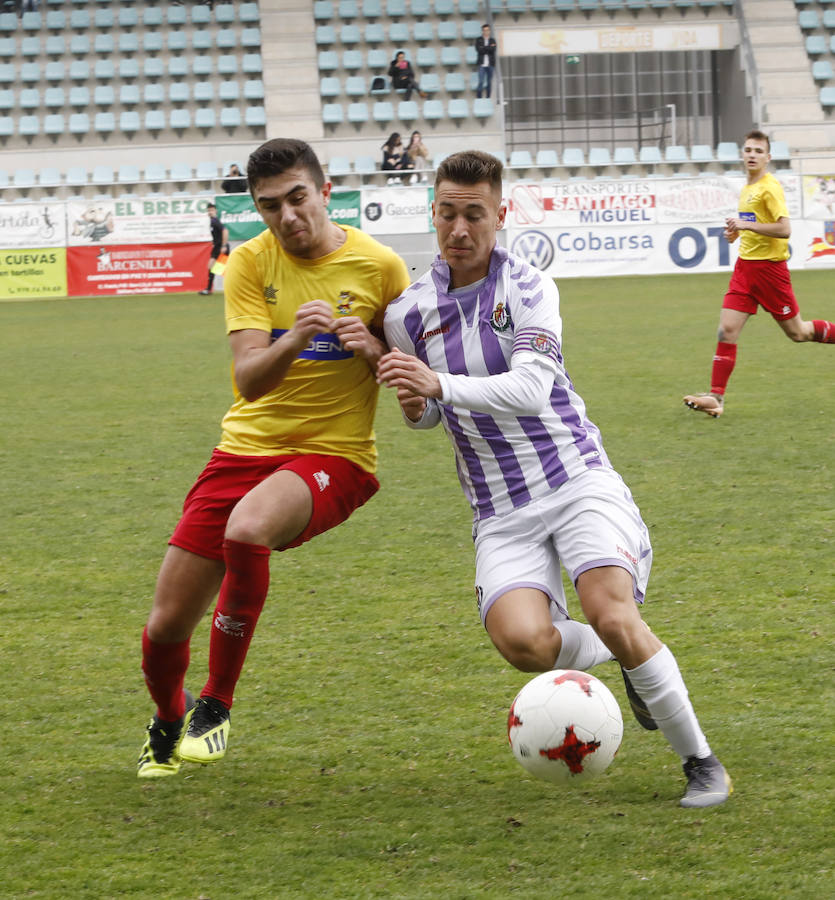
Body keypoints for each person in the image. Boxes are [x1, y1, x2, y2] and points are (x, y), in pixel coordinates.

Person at [376, 150, 732, 809]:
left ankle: (701, 764)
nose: (459, 229)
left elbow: (532, 389)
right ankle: (622, 652)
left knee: (607, 605)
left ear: (499, 215)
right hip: (497, 506)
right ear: (433, 213)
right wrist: (416, 404)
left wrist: (439, 385)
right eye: (448, 213)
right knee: (521, 643)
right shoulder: (408, 313)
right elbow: (427, 416)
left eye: (474, 215)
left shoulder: (529, 287)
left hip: (572, 478)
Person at [136, 138, 410, 777]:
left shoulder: (381, 267)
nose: (287, 216)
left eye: (297, 198)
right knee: (164, 627)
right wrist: (297, 338)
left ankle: (217, 703)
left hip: (335, 455)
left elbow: (408, 370)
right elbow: (249, 380)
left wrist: (370, 347)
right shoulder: (249, 265)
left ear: (324, 191)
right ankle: (169, 720)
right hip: (242, 451)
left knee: (248, 527)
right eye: (269, 206)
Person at [684, 130, 835, 417]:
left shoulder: (770, 187)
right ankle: (716, 399)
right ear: (743, 154)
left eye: (758, 151)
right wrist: (735, 234)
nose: (752, 154)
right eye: (748, 150)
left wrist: (746, 226)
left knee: (799, 332)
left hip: (769, 272)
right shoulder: (747, 188)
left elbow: (784, 228)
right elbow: (750, 226)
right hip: (745, 270)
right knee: (726, 330)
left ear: (768, 157)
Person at [199, 202, 229, 296]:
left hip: (221, 248)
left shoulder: (215, 221)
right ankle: (208, 289)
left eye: (211, 210)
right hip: (217, 247)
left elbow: (225, 231)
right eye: (208, 210)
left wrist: (223, 245)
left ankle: (239, 287)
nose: (210, 212)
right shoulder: (212, 221)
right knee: (213, 267)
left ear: (215, 211)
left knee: (224, 270)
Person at [474, 24, 497, 100]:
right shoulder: (479, 40)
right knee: (481, 81)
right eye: (484, 30)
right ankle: (479, 98)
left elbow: (493, 50)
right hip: (482, 64)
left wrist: (484, 48)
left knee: (489, 82)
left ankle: (488, 98)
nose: (486, 32)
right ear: (482, 31)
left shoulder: (492, 40)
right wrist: (488, 48)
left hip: (490, 65)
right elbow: (479, 50)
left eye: (487, 30)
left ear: (489, 31)